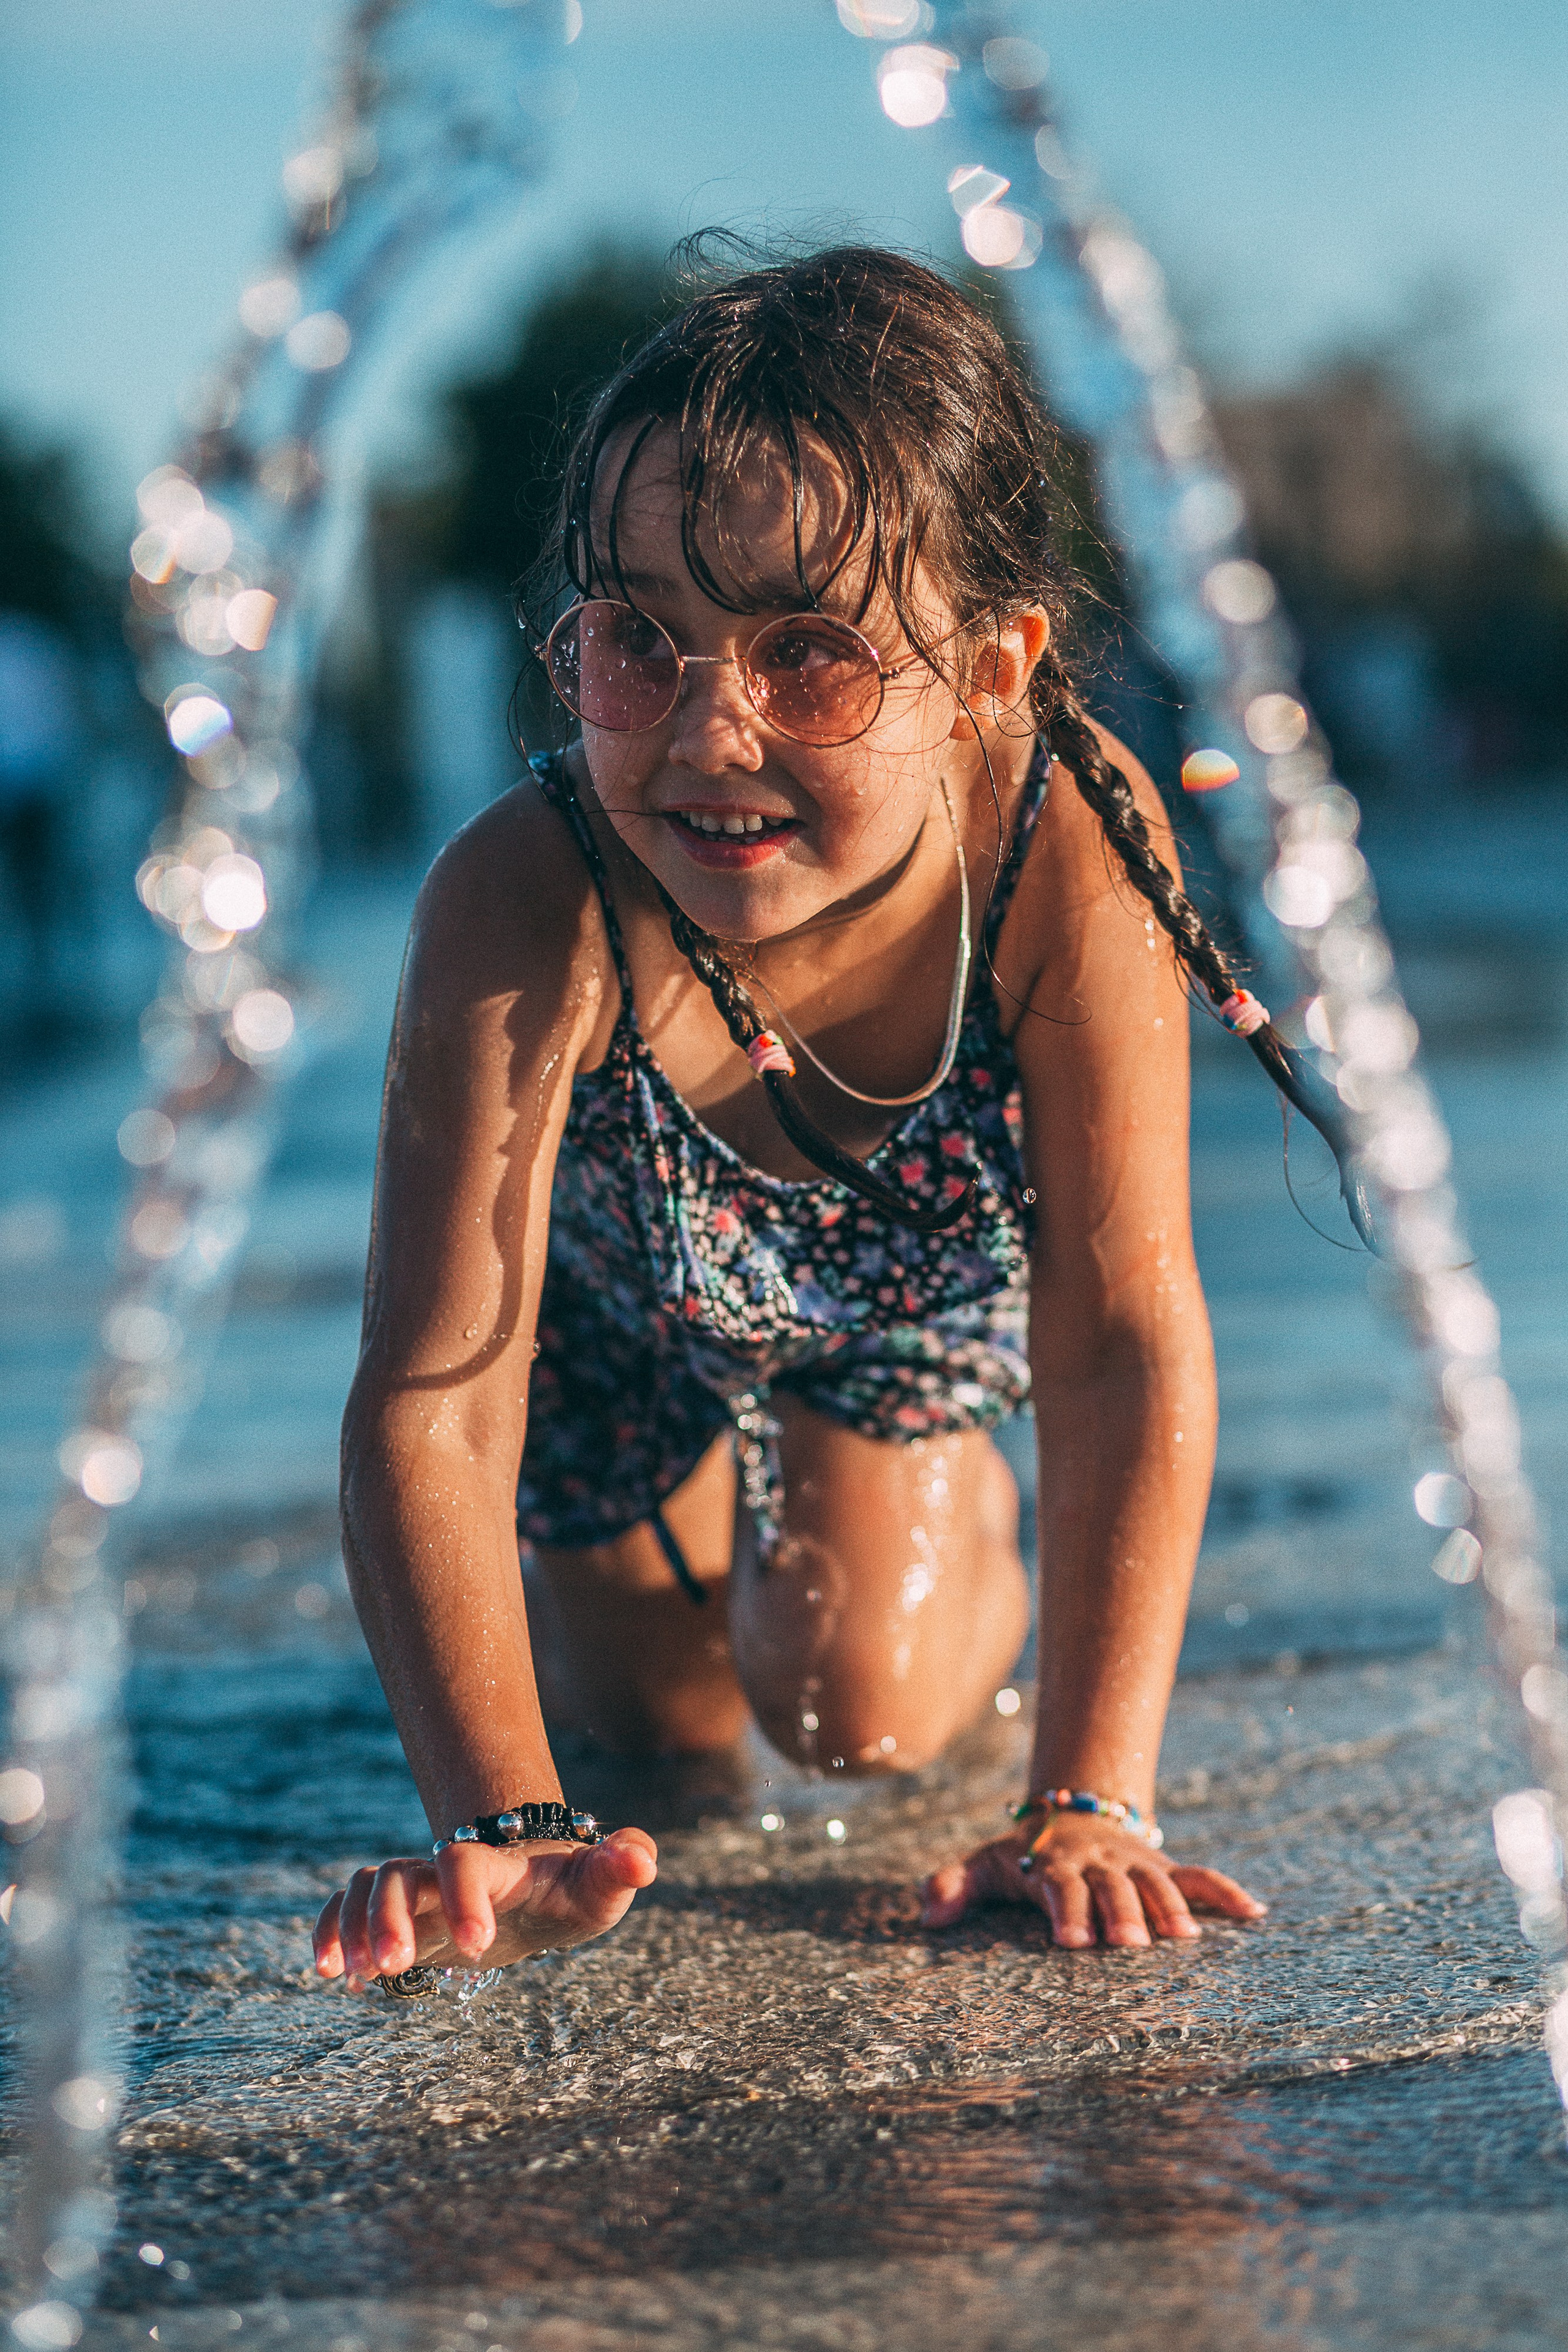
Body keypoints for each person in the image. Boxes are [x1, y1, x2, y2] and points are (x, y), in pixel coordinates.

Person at [314, 245, 1285, 1997]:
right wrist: (493, 1817)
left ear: (994, 665)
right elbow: (431, 1392)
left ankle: (935, 1512)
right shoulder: (527, 896)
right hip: (608, 1338)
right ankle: (681, 1582)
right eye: (638, 639)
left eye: (813, 653)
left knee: (851, 1713)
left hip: (901, 1317)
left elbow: (1124, 1335)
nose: (710, 725)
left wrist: (1091, 1794)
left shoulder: (1062, 844)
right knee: (644, 1768)